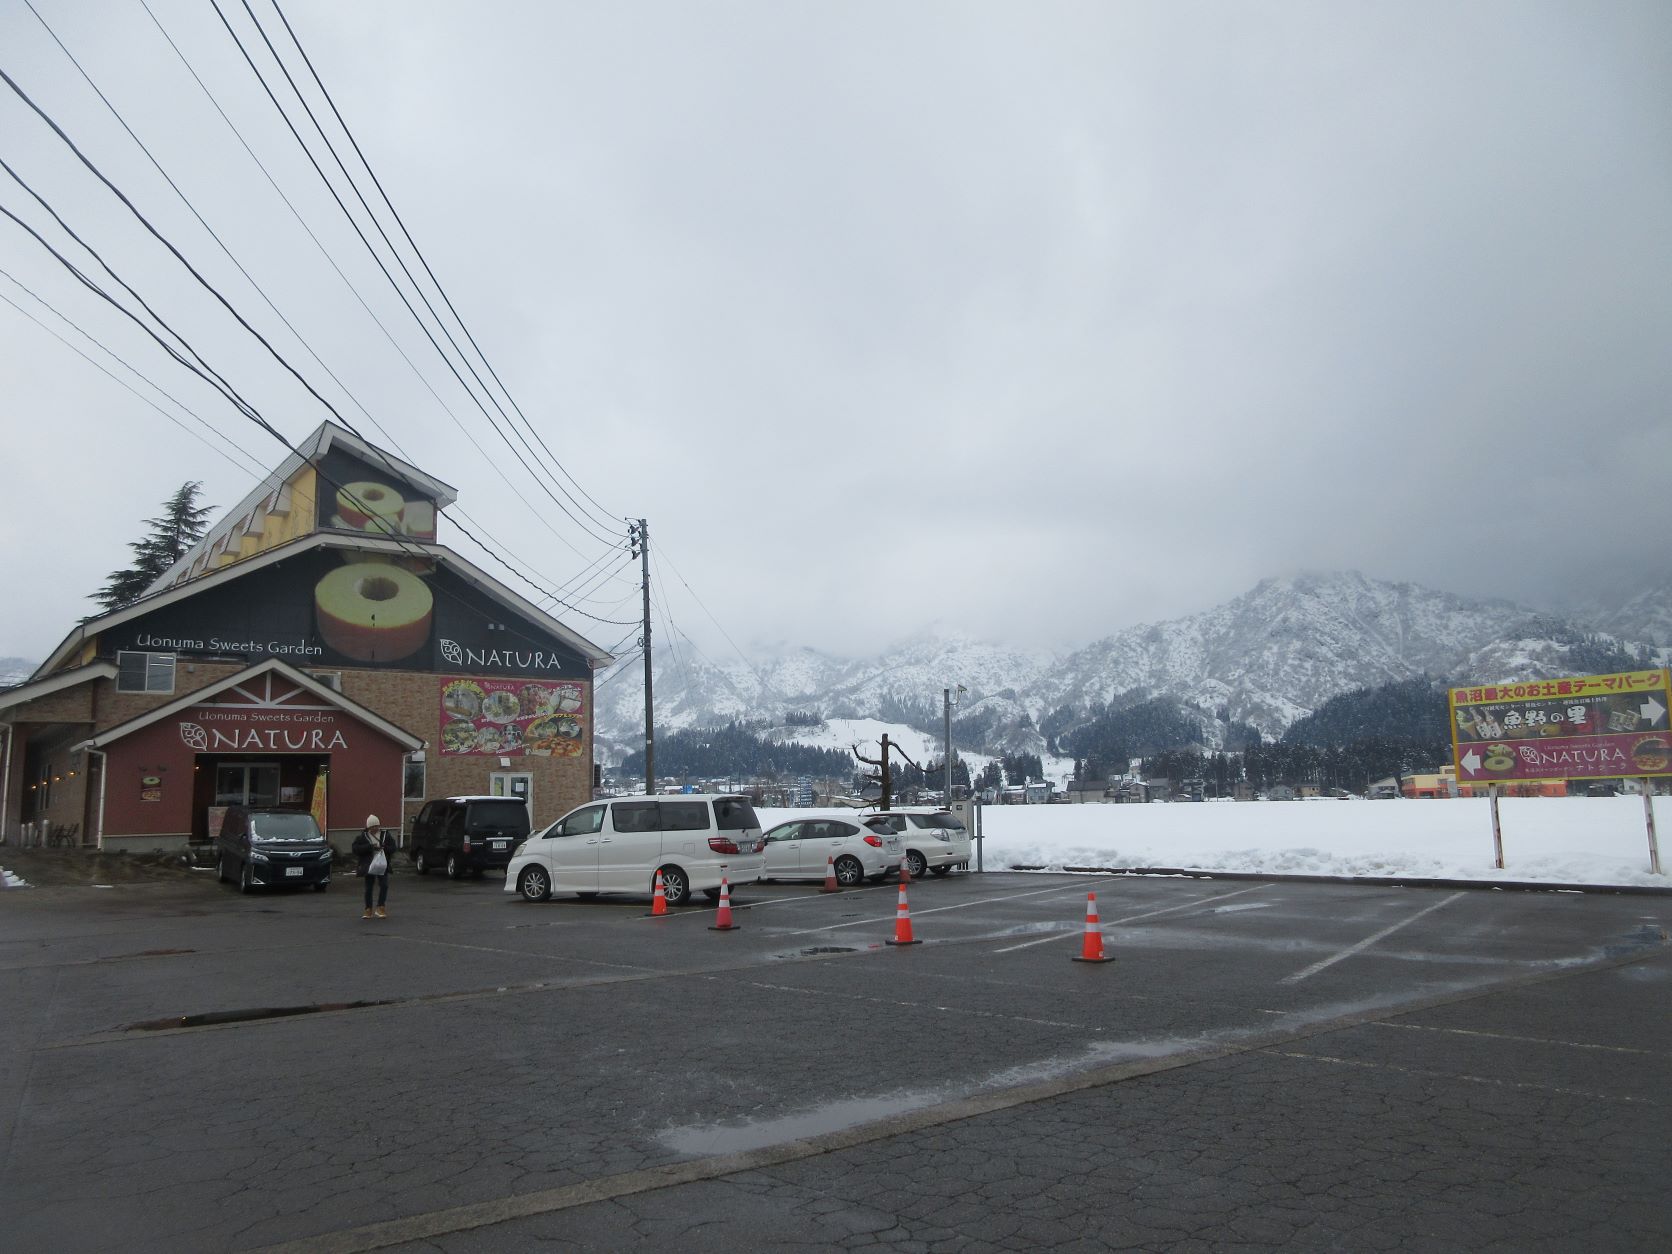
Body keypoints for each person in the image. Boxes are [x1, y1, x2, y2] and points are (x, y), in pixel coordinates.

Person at [353, 815, 393, 920]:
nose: (375, 828)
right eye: (372, 826)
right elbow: (355, 849)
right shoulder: (362, 837)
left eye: (376, 826)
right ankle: (368, 909)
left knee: (384, 885)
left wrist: (384, 848)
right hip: (369, 865)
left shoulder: (385, 835)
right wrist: (370, 847)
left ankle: (380, 907)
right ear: (368, 827)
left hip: (382, 864)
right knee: (368, 888)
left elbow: (393, 848)